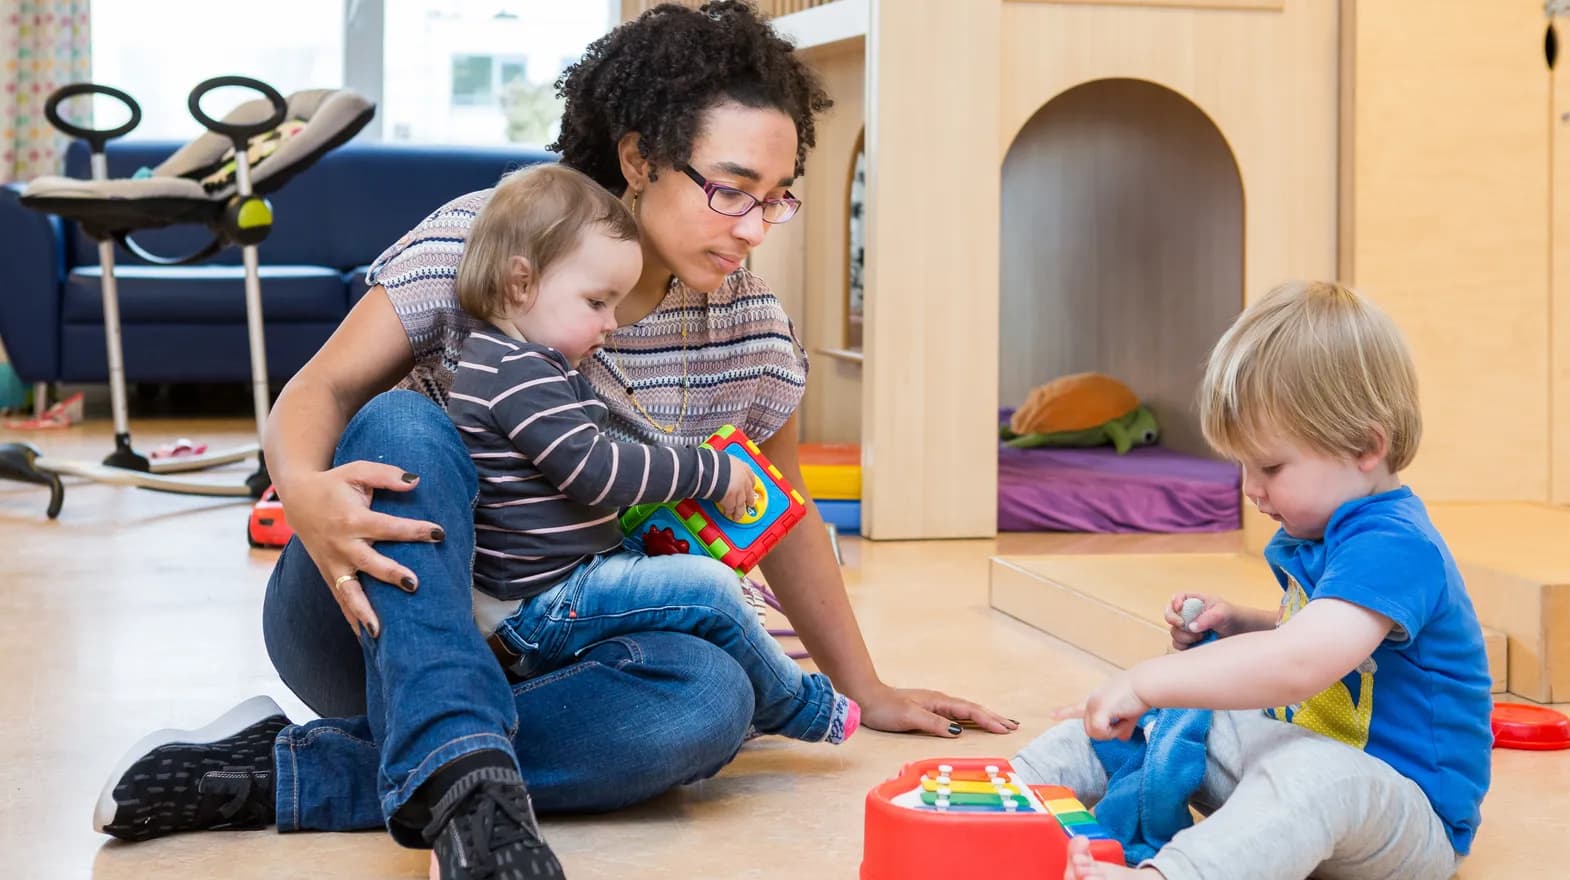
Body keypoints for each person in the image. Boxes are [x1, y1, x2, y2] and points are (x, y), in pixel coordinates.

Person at [92, 3, 1012, 878]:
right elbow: (320, 390)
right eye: (731, 190)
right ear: (639, 157)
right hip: (367, 614)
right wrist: (303, 491)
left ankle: (307, 769)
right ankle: (449, 761)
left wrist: (866, 687)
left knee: (710, 700)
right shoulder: (489, 242)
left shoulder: (751, 329)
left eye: (777, 200)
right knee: (406, 422)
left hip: (553, 644)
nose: (753, 228)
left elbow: (785, 512)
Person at [1019, 281, 1492, 880]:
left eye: (1270, 466)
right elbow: (1326, 630)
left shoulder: (1396, 545)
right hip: (1301, 765)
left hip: (1403, 814)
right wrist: (1242, 622)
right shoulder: (1325, 528)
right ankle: (1008, 795)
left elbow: (1301, 662)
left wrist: (1149, 680)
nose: (1250, 488)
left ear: (1366, 446)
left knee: (1293, 766)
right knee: (1172, 720)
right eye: (1242, 464)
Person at [448, 161, 858, 747]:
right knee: (708, 590)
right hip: (540, 605)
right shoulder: (516, 374)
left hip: (558, 587)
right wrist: (708, 472)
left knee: (695, 585)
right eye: (596, 302)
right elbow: (597, 470)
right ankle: (797, 705)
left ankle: (735, 678)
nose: (612, 323)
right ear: (520, 283)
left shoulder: (522, 364)